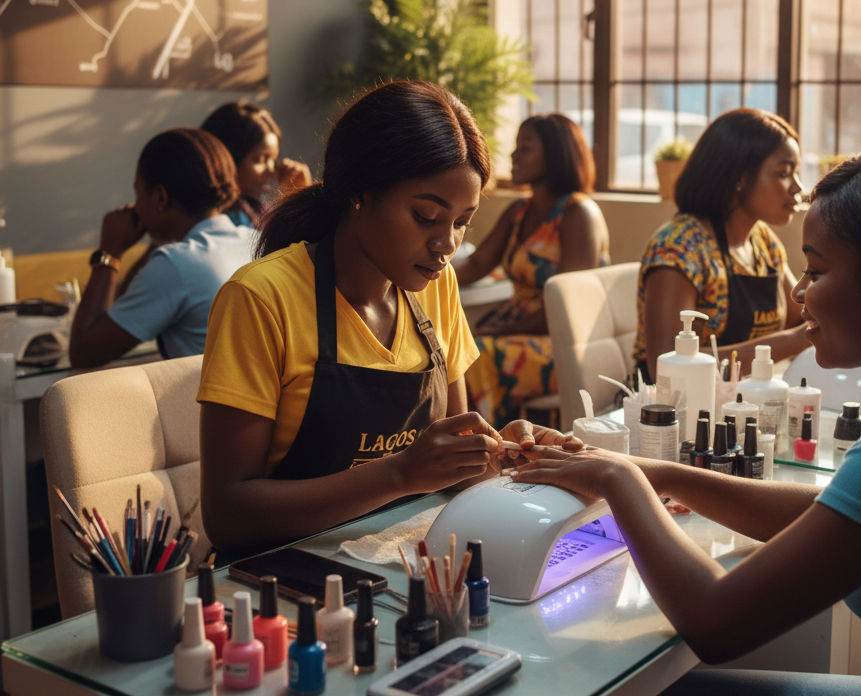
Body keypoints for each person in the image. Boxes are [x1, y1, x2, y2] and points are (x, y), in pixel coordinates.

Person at [510, 139, 861, 696]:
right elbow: (834, 512)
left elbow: (714, 622)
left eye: (816, 269)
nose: (800, 292)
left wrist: (620, 479)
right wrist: (660, 471)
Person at [197, 81, 578, 559]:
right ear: (359, 191)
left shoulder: (436, 287)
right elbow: (228, 516)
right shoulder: (261, 298)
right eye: (425, 216)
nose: (447, 245)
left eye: (462, 222)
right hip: (282, 577)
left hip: (401, 559)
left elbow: (453, 459)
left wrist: (505, 452)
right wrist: (399, 473)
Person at [456, 113, 610, 428]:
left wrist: (500, 331)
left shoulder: (579, 214)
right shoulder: (518, 211)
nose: (513, 156)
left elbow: (569, 307)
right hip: (516, 330)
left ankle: (482, 450)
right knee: (456, 349)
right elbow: (474, 264)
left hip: (562, 343)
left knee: (475, 355)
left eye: (525, 147)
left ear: (555, 155)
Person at [635, 108, 810, 383]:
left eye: (796, 173)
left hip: (739, 402)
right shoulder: (678, 248)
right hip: (670, 413)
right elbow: (666, 366)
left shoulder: (763, 242)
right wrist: (795, 341)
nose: (797, 187)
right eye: (784, 173)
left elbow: (799, 317)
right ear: (740, 176)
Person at [69, 129, 256, 367]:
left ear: (160, 197)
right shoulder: (255, 240)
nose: (135, 206)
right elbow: (126, 305)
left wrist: (110, 252)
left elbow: (83, 353)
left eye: (138, 194)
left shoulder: (177, 264)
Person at [201, 101, 312, 227]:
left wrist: (296, 196)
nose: (271, 170)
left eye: (273, 159)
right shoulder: (214, 221)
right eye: (259, 160)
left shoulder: (259, 210)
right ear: (226, 158)